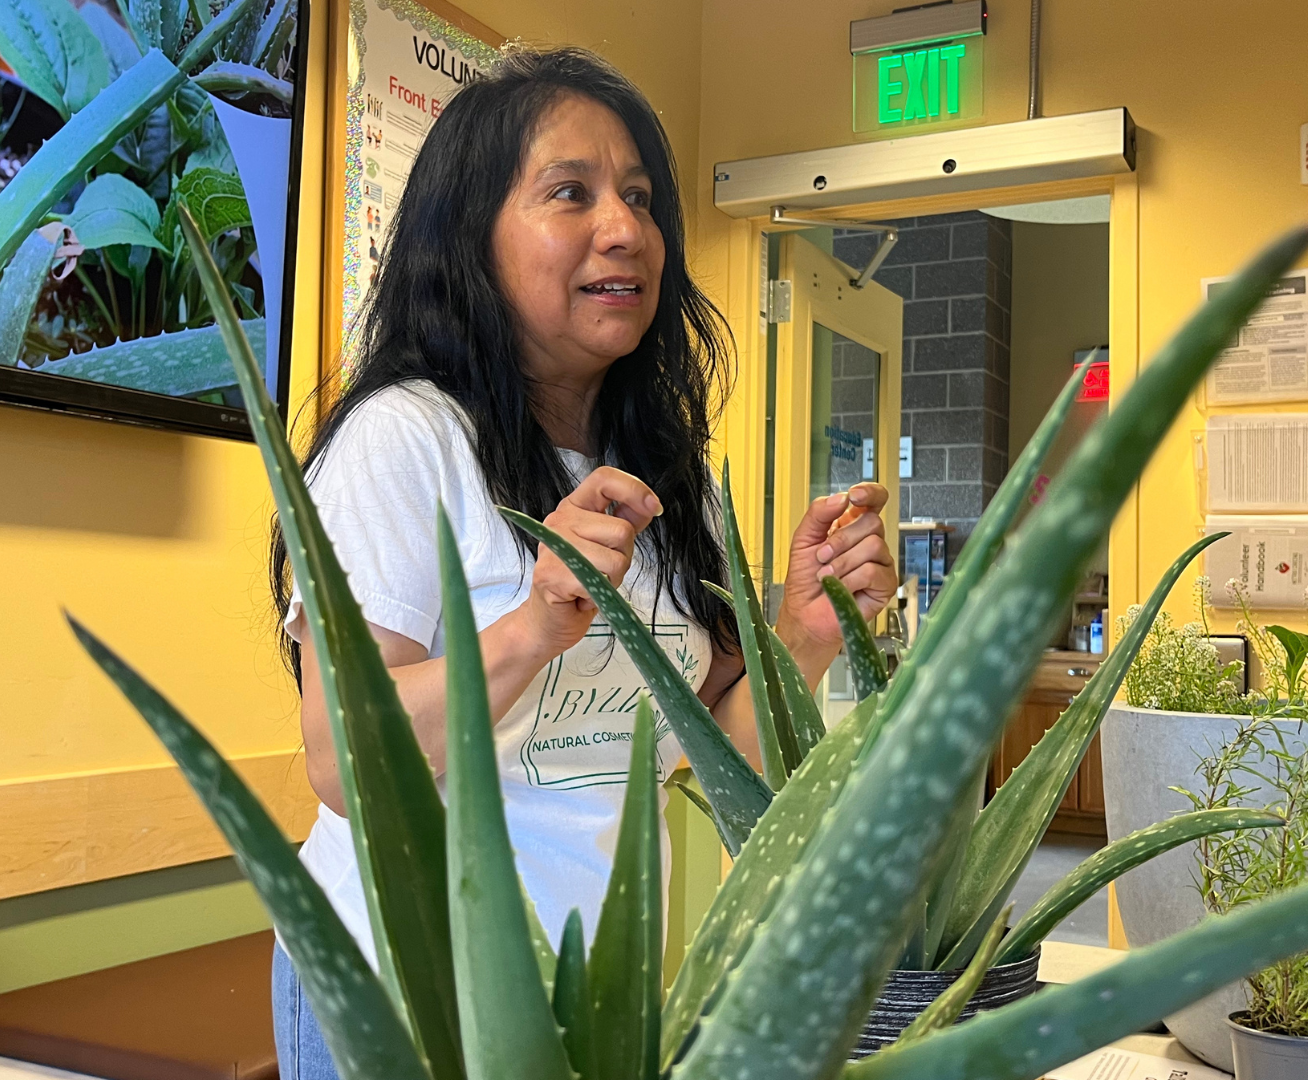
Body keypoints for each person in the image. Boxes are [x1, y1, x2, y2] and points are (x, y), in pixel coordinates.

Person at [270, 47, 897, 1075]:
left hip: (591, 1003)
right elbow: (340, 761)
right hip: (404, 994)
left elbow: (684, 750)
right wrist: (531, 625)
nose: (625, 228)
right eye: (572, 192)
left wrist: (800, 635)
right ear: (469, 238)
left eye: (642, 199)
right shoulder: (403, 439)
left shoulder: (660, 473)